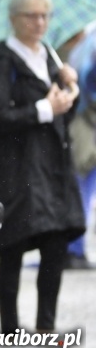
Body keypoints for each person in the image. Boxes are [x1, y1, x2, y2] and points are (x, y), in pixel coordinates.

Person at [0, 0, 85, 348]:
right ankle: (11, 333)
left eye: (44, 16)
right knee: (14, 249)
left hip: (51, 166)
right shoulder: (0, 61)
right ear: (14, 18)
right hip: (14, 168)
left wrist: (72, 89)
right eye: (32, 16)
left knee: (56, 246)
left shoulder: (50, 57)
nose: (39, 23)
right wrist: (43, 109)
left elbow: (63, 113)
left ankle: (46, 329)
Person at [65, 29, 96, 270]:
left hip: (82, 122)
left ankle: (73, 247)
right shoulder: (92, 43)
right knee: (83, 188)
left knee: (80, 187)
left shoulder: (86, 41)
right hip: (88, 125)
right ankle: (75, 248)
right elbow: (88, 78)